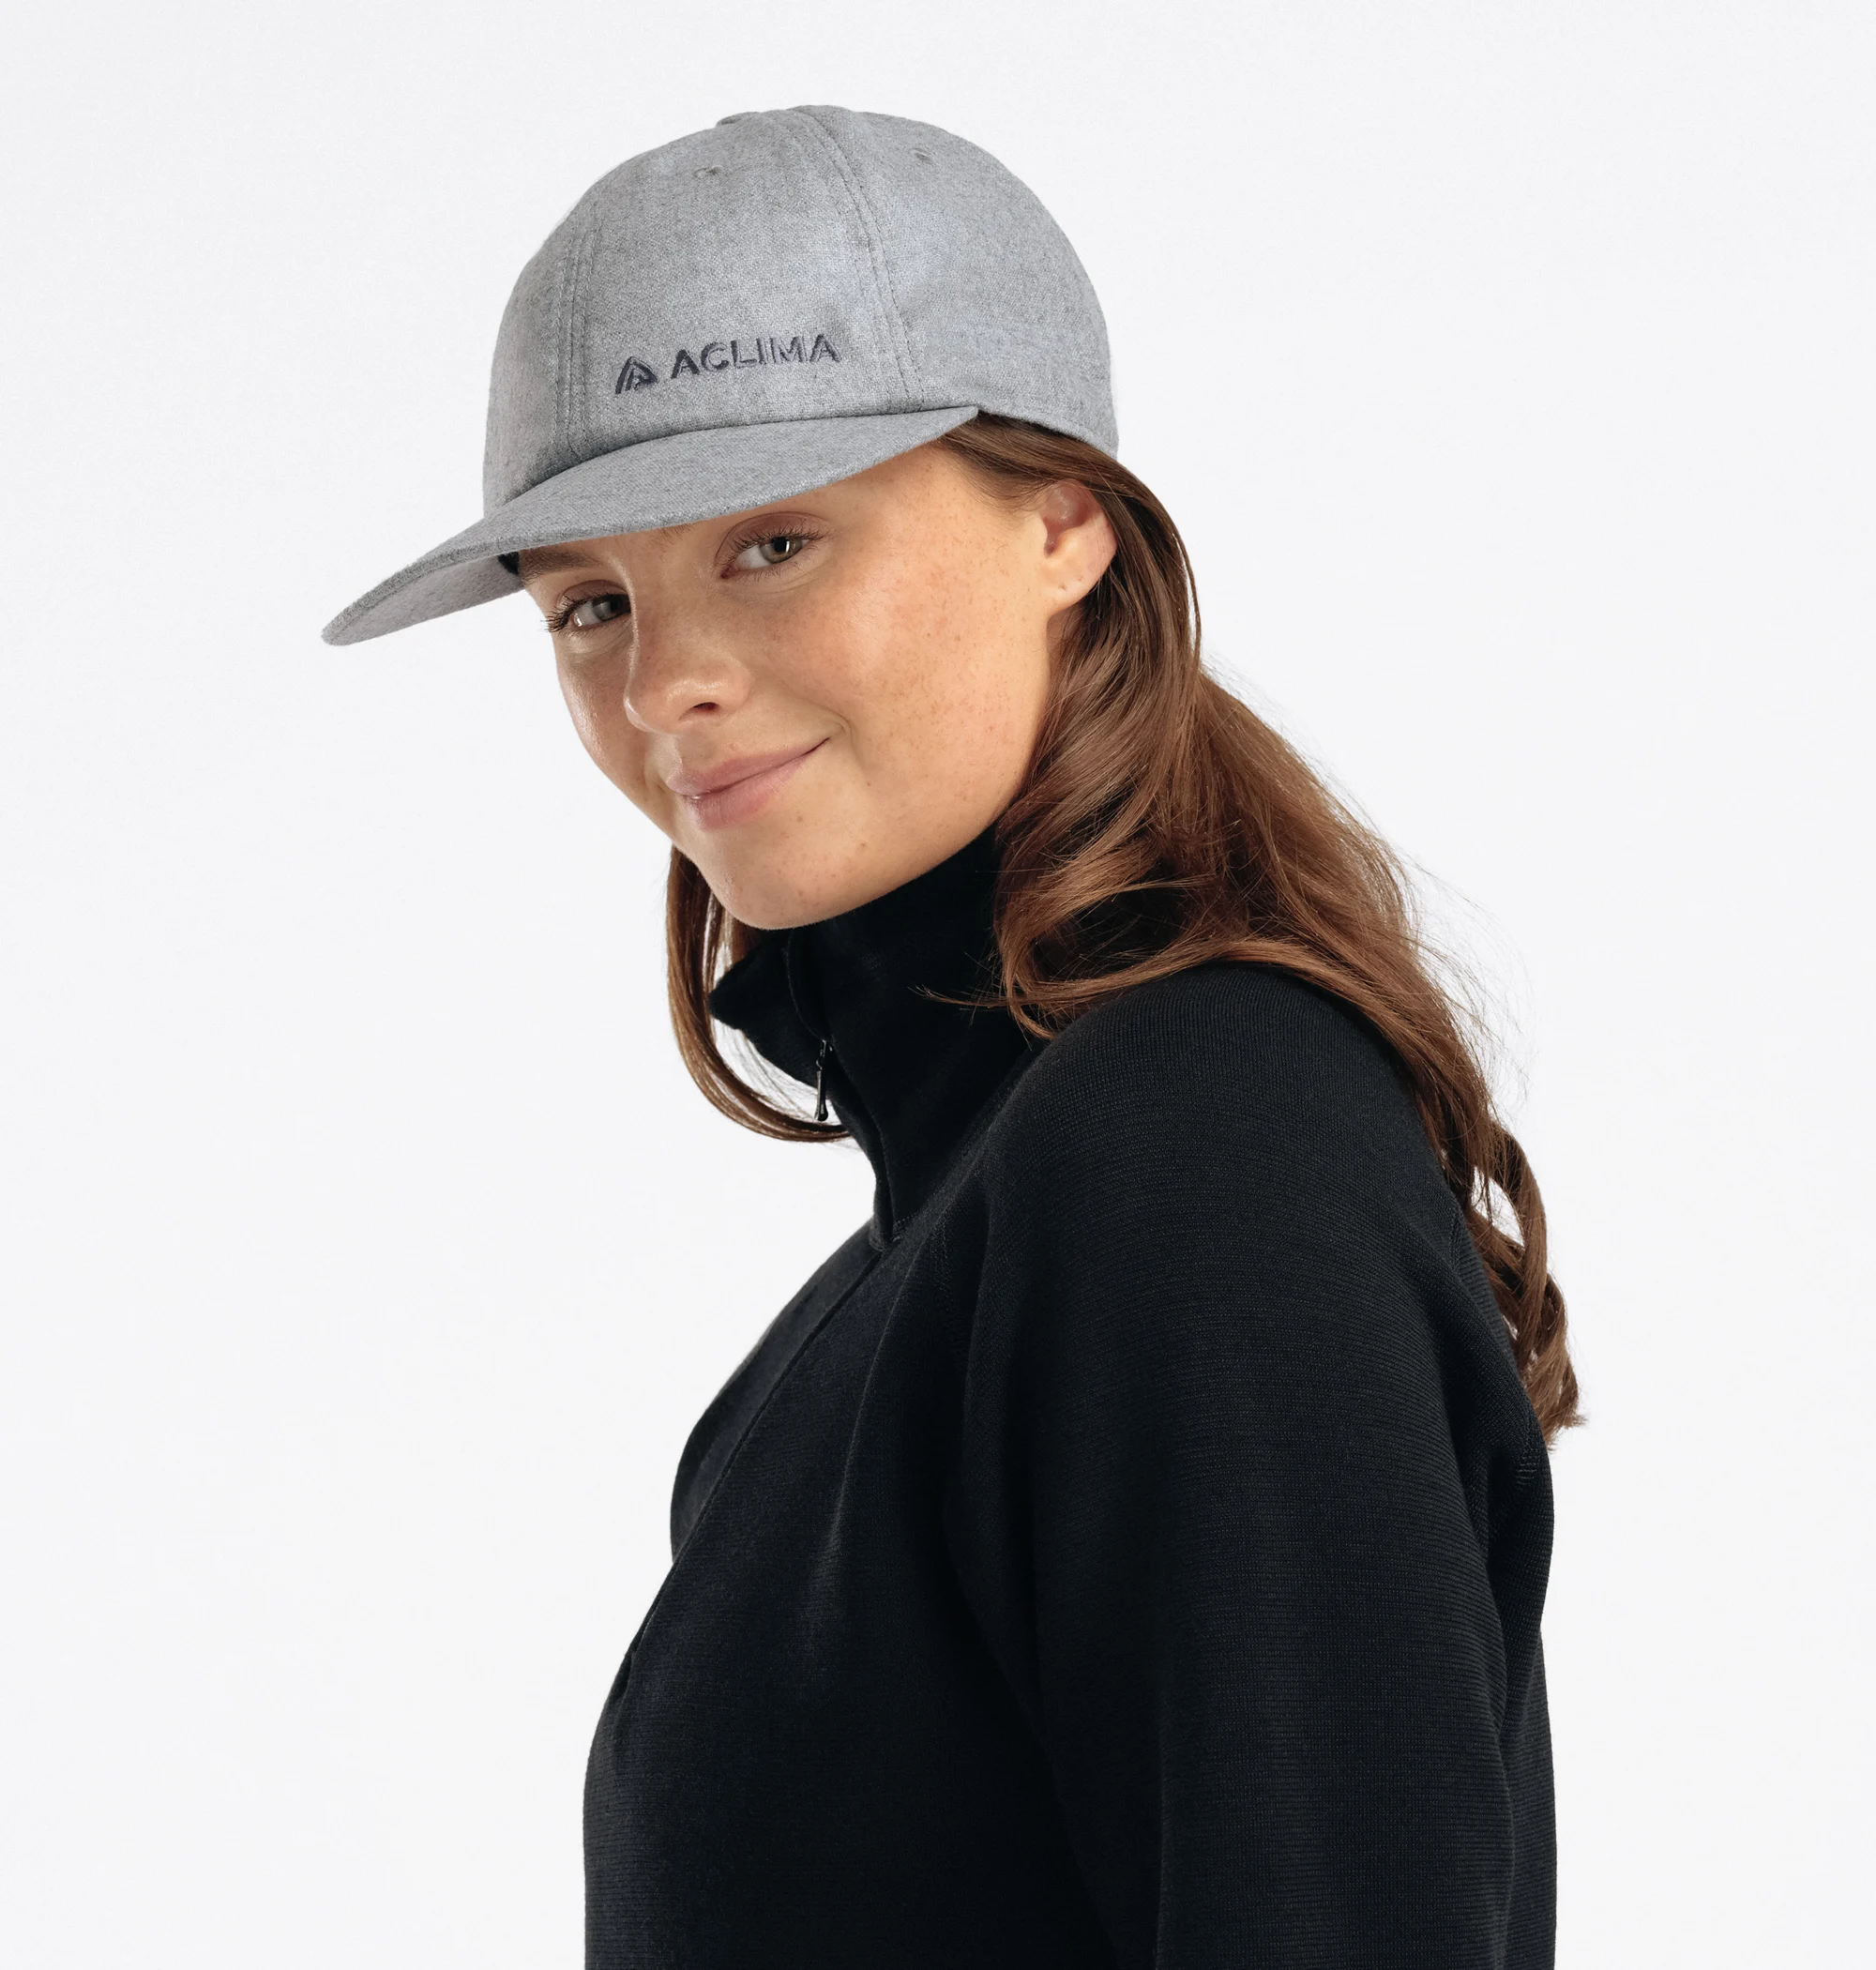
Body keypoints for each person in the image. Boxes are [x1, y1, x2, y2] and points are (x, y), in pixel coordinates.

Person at [325, 104, 1581, 1970]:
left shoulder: (1197, 1156)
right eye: (590, 601)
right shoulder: (947, 1247)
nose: (663, 681)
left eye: (772, 543)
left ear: (1063, 522)